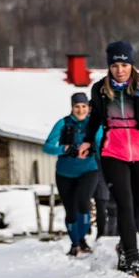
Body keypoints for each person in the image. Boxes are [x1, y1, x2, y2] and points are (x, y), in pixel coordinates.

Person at [78, 41, 139, 278]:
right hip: (113, 153)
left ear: (131, 64)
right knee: (125, 205)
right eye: (115, 65)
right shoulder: (100, 90)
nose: (120, 70)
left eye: (124, 64)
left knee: (137, 210)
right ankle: (132, 259)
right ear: (109, 66)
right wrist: (88, 140)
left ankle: (124, 244)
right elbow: (95, 119)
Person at [42, 93, 103, 256]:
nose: (80, 110)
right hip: (65, 173)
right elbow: (47, 147)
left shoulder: (94, 123)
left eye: (84, 106)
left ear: (88, 107)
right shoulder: (63, 123)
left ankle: (82, 239)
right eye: (77, 106)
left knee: (83, 202)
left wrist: (91, 147)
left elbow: (101, 142)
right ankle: (75, 243)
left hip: (88, 170)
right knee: (70, 210)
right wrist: (65, 149)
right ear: (72, 107)